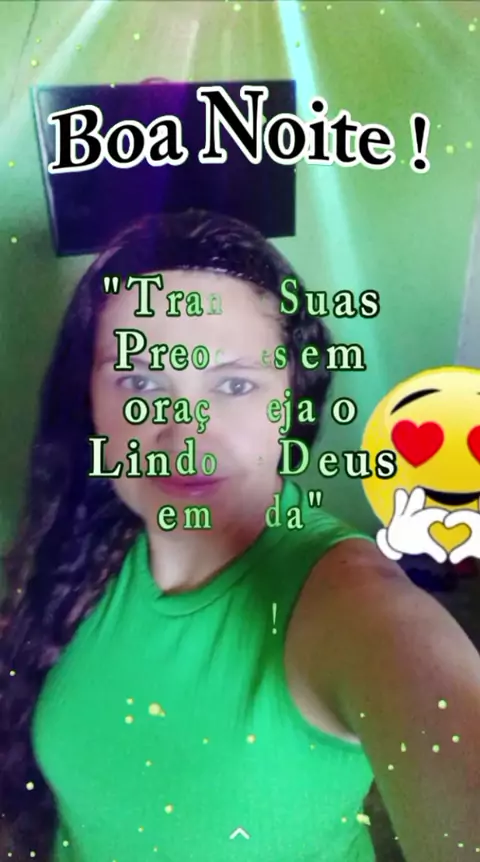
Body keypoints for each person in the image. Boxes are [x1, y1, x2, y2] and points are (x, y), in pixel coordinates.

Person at [0, 210, 479, 862]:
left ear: (292, 396)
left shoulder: (353, 606)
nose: (185, 434)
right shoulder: (88, 541)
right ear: (89, 402)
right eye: (140, 381)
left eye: (233, 383)